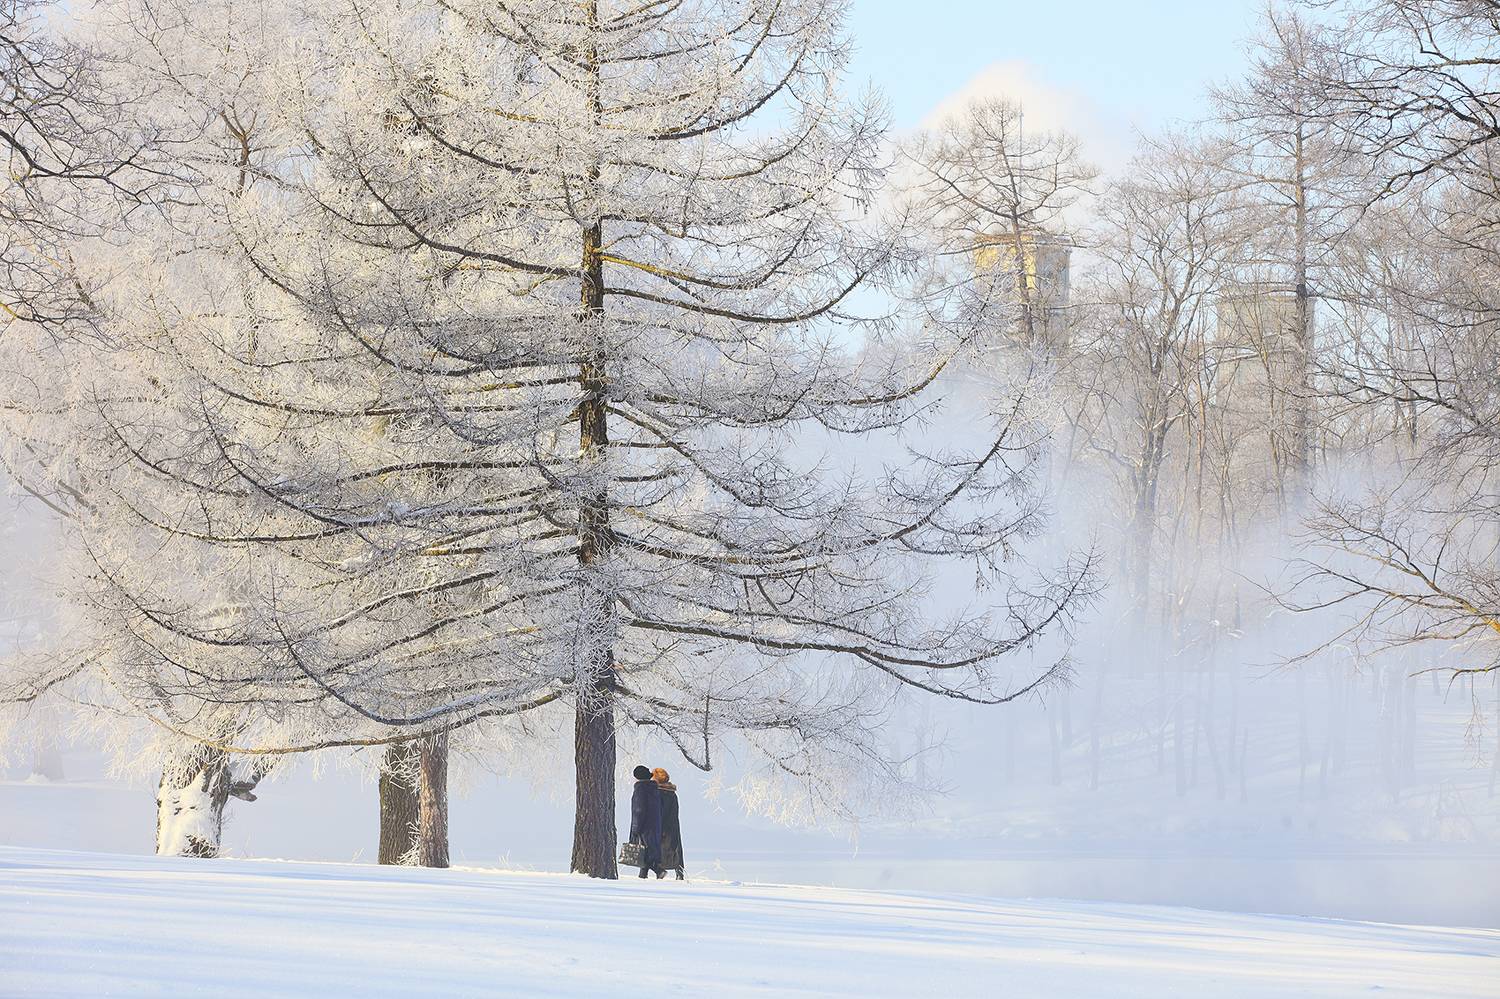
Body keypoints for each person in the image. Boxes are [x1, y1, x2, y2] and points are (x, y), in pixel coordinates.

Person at [627, 764, 662, 879]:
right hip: (654, 824)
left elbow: (639, 809)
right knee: (648, 849)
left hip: (644, 825)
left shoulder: (640, 789)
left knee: (644, 849)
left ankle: (658, 870)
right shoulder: (654, 789)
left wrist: (636, 827)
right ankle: (643, 874)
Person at [652, 767, 685, 880]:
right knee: (675, 849)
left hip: (661, 826)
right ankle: (679, 873)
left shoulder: (657, 794)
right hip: (673, 826)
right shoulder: (672, 793)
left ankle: (657, 874)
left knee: (658, 850)